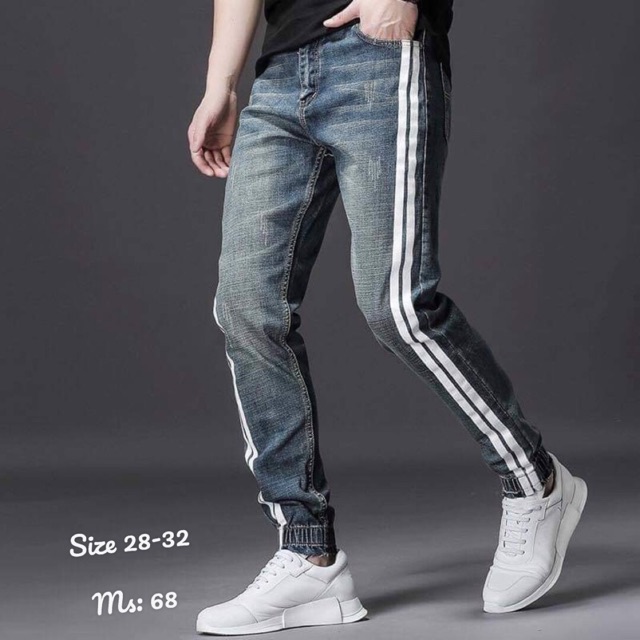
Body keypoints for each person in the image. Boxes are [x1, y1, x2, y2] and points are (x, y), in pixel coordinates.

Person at [187, 0, 588, 634]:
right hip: (280, 75)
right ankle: (308, 555)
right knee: (245, 309)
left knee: (399, 307)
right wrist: (221, 84)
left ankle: (534, 480)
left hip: (377, 58)